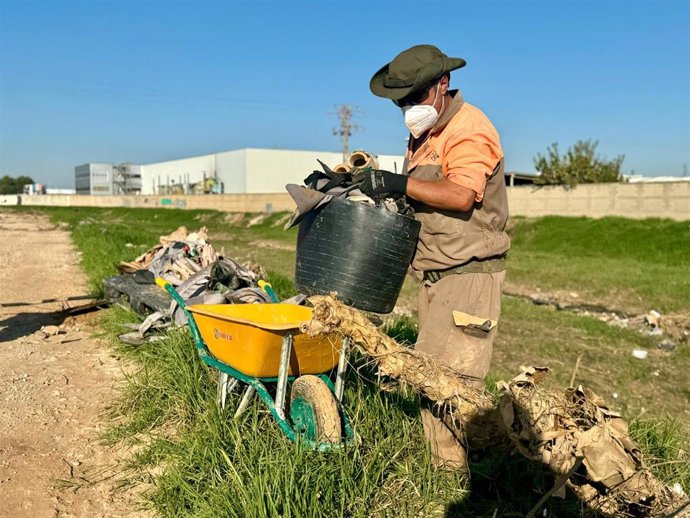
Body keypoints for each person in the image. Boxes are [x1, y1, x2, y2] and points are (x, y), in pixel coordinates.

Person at [358, 44, 511, 470]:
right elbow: (424, 201)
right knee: (432, 372)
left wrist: (398, 184)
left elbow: (462, 195)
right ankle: (447, 468)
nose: (408, 108)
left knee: (452, 382)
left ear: (442, 83)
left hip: (468, 275)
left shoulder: (468, 127)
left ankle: (460, 481)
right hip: (436, 273)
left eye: (416, 97)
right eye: (401, 101)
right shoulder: (424, 136)